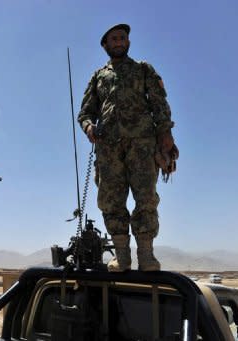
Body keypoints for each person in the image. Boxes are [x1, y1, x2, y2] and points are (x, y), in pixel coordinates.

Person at [77, 24, 178, 272]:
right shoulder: (98, 76)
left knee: (146, 198)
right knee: (111, 201)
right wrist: (89, 127)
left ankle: (146, 255)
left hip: (142, 144)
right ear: (106, 45)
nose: (119, 42)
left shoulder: (143, 70)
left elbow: (159, 104)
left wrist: (165, 135)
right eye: (114, 39)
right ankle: (121, 256)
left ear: (128, 42)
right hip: (108, 148)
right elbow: (85, 112)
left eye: (123, 38)